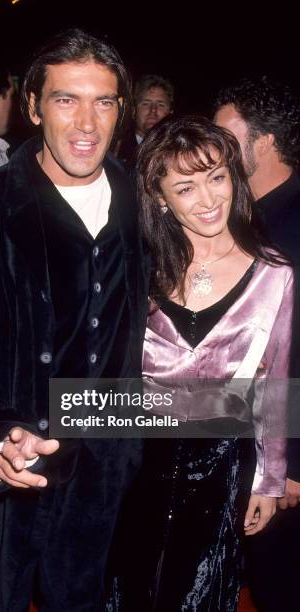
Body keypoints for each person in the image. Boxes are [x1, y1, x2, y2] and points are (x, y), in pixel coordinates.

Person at [0, 29, 148, 611]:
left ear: (122, 109)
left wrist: (271, 441)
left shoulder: (150, 208)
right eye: (67, 99)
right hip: (6, 470)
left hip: (103, 471)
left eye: (104, 101)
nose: (86, 123)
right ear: (34, 106)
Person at [114, 116, 293, 612]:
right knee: (125, 587)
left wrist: (269, 481)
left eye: (216, 177)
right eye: (186, 187)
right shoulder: (138, 265)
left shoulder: (273, 273)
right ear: (160, 198)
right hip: (134, 462)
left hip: (219, 466)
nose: (209, 199)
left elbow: (275, 385)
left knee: (197, 594)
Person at [214, 77, 300, 611]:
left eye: (226, 136)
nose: (214, 146)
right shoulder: (254, 215)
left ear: (263, 143)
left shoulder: (290, 225)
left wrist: (292, 467)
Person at [114, 74, 174, 166]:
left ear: (170, 112)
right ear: (134, 110)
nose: (153, 110)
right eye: (146, 104)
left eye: (160, 105)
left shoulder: (180, 150)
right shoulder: (114, 149)